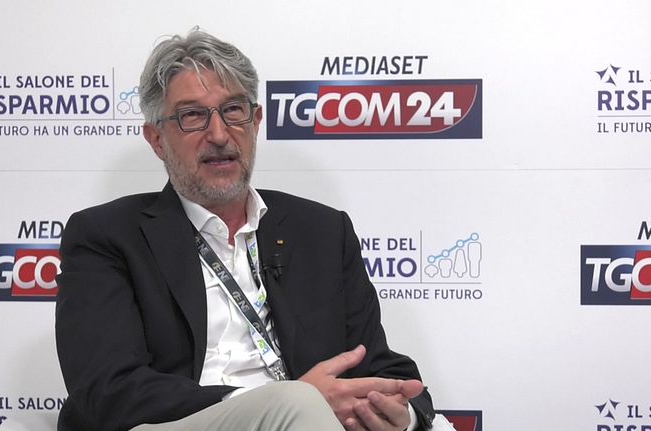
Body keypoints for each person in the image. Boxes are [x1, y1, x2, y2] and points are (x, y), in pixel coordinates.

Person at [55, 29, 436, 431]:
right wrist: (277, 402)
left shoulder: (323, 231)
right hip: (182, 423)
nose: (219, 135)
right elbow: (108, 388)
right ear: (157, 139)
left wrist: (402, 415)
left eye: (233, 110)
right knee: (298, 403)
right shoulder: (106, 236)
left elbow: (381, 367)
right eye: (192, 116)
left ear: (255, 122)